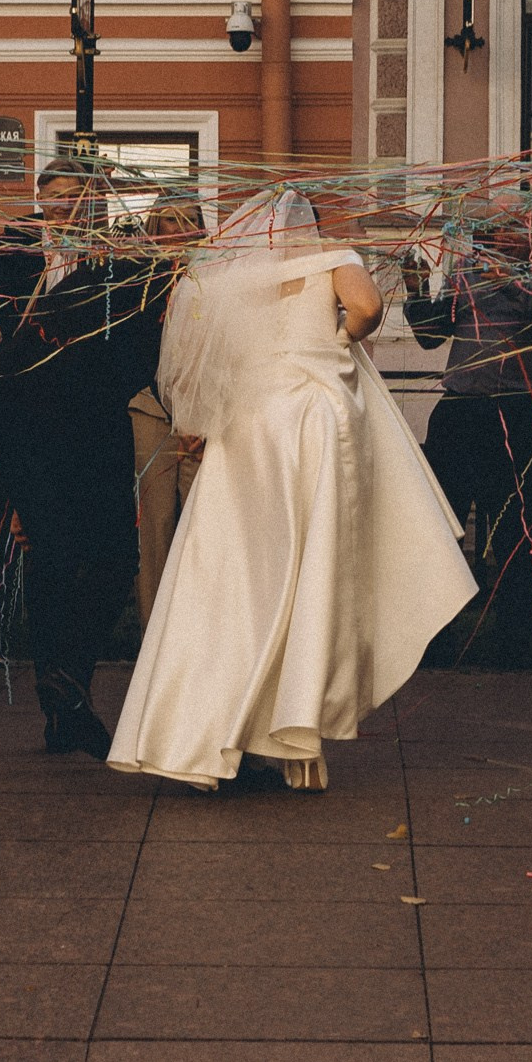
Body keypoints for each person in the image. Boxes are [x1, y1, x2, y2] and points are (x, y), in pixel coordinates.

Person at [107, 191, 476, 791]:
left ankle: (197, 729)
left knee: (232, 573)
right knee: (309, 567)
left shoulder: (232, 274)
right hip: (311, 422)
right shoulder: (330, 254)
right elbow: (367, 306)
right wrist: (338, 335)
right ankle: (291, 719)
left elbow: (196, 361)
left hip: (247, 429)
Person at [0, 157, 168, 755]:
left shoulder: (119, 265)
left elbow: (138, 345)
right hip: (27, 435)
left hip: (98, 428)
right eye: (54, 195)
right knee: (51, 561)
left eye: (77, 195)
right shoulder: (8, 254)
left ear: (96, 203)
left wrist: (107, 380)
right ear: (41, 201)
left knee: (113, 560)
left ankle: (67, 677)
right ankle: (63, 704)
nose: (66, 205)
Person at [406, 209, 532, 666]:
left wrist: (508, 277)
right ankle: (432, 637)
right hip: (460, 410)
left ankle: (516, 642)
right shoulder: (467, 269)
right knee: (444, 524)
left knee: (515, 530)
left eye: (505, 228)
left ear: (531, 231)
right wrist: (416, 290)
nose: (493, 236)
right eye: (489, 229)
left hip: (516, 412)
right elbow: (432, 337)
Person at [126, 191, 207, 625]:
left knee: (200, 526)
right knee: (154, 530)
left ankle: (197, 636)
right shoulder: (136, 281)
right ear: (154, 228)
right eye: (168, 222)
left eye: (187, 221)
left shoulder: (213, 281)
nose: (178, 231)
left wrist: (206, 416)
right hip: (150, 413)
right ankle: (152, 640)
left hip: (201, 420)